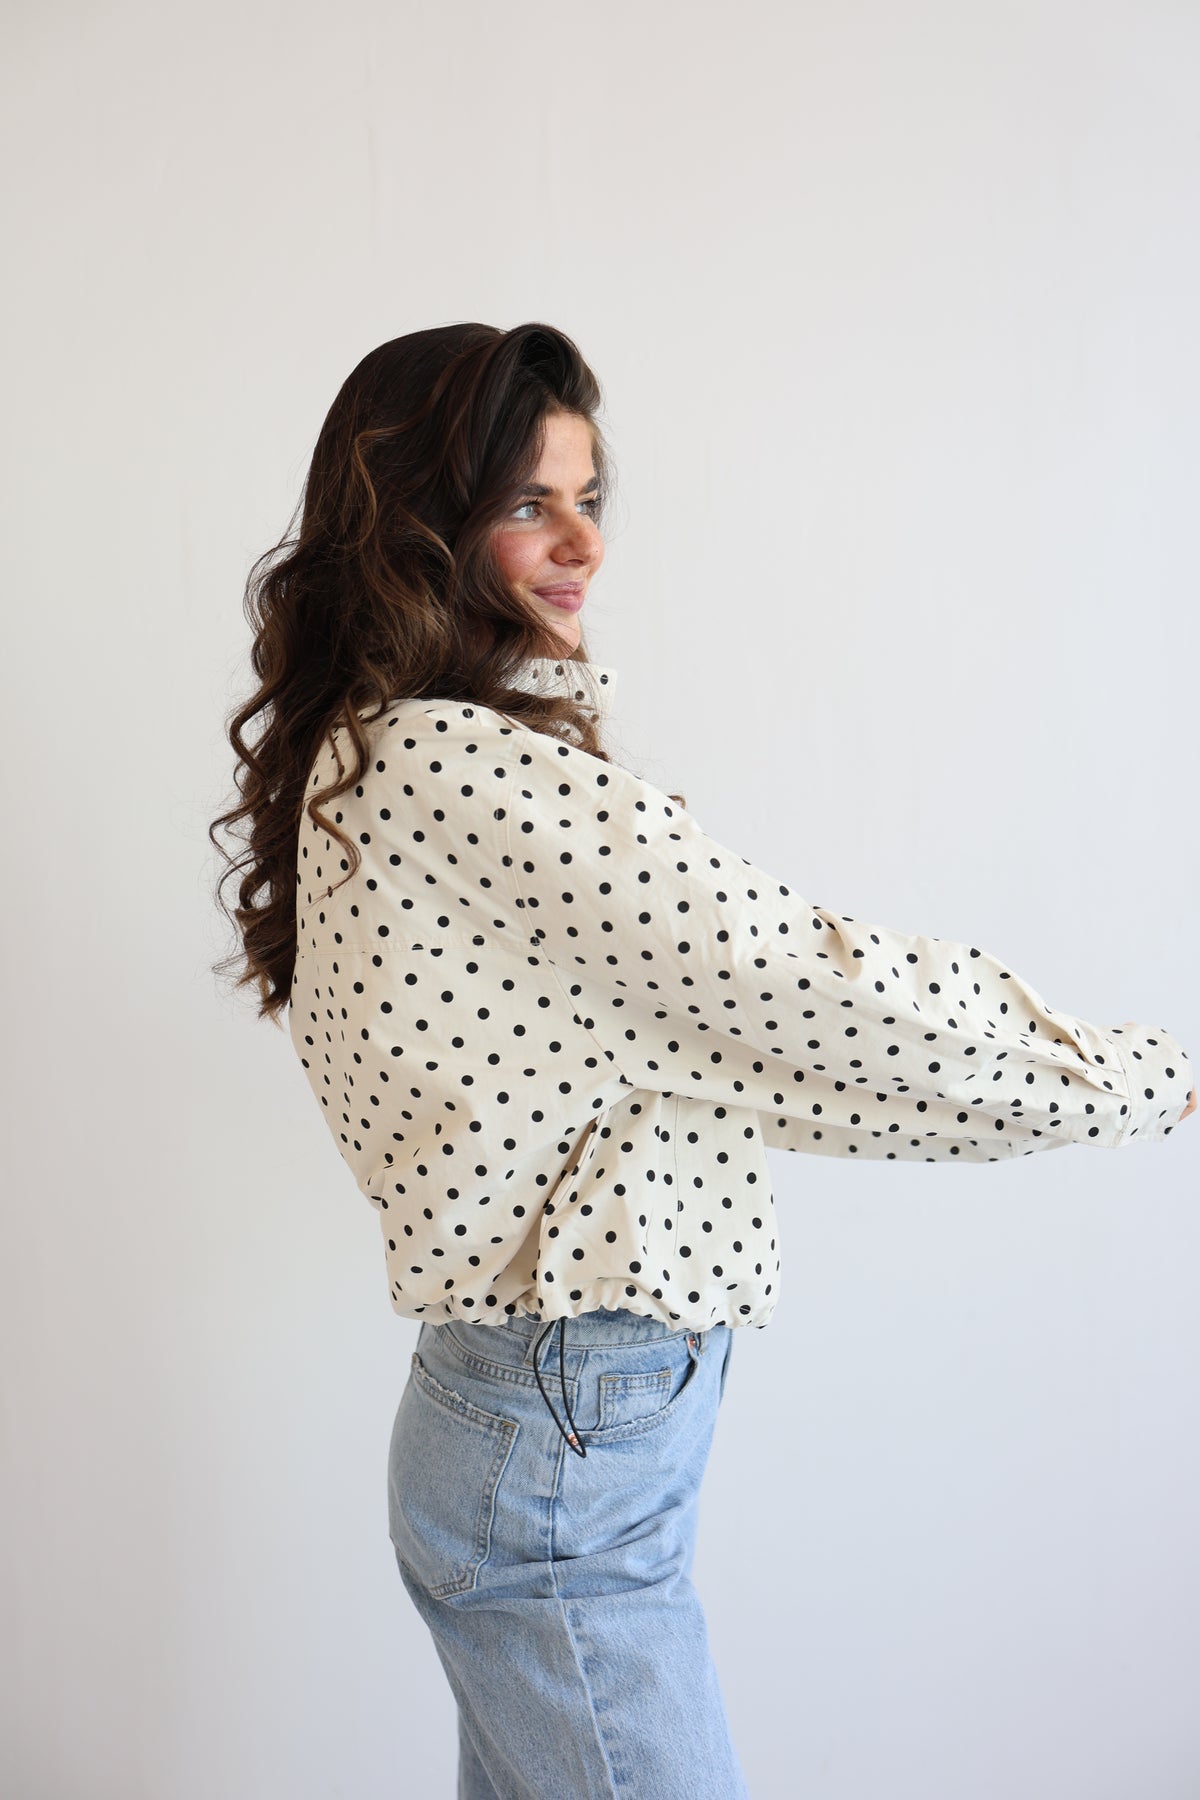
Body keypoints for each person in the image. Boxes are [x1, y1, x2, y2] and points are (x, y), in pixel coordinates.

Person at [212, 321, 1195, 1800]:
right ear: (415, 518)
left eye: (590, 499)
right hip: (558, 1438)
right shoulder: (465, 770)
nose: (582, 545)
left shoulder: (387, 752)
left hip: (537, 1425)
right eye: (529, 502)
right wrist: (1142, 1075)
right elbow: (812, 992)